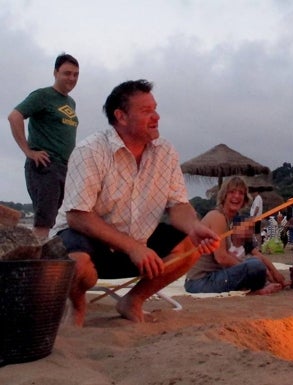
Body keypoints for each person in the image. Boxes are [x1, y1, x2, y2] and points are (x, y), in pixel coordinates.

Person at [53, 79, 220, 326]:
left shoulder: (165, 152)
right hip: (91, 242)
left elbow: (178, 206)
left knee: (190, 245)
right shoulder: (91, 151)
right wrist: (132, 247)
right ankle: (77, 307)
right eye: (146, 111)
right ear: (121, 116)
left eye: (155, 109)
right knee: (77, 263)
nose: (156, 117)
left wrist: (193, 227)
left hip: (138, 245)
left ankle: (133, 300)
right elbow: (77, 216)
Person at [8, 53, 80, 240]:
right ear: (55, 73)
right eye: (67, 73)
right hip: (45, 166)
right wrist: (28, 151)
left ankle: (52, 259)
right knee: (44, 221)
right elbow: (14, 116)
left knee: (62, 219)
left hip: (65, 168)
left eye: (75, 74)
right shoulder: (42, 96)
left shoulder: (70, 102)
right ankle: (36, 266)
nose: (71, 78)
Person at [185, 176, 284, 294]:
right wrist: (246, 270)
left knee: (255, 263)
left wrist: (260, 270)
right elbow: (221, 258)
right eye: (232, 192)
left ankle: (258, 286)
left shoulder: (228, 221)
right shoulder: (217, 217)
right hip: (200, 282)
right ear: (224, 196)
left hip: (209, 278)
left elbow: (231, 256)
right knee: (255, 266)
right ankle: (256, 291)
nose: (236, 196)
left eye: (241, 193)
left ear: (244, 199)